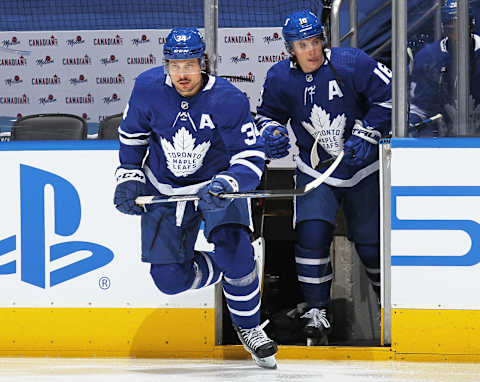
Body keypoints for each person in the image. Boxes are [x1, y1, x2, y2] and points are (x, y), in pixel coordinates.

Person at [113, 27, 277, 368]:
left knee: (234, 247)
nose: (182, 73)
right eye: (175, 65)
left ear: (203, 62)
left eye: (189, 64)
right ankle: (235, 269)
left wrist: (228, 183)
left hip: (216, 185)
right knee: (169, 280)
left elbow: (250, 155)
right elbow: (131, 137)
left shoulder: (227, 98)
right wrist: (128, 177)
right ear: (166, 65)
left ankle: (250, 328)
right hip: (164, 188)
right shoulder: (147, 88)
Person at [256, 10, 392, 345]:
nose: (312, 50)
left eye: (316, 41)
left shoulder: (351, 62)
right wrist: (270, 131)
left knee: (373, 245)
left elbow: (390, 97)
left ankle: (387, 306)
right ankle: (317, 311)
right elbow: (267, 115)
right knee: (312, 236)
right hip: (314, 171)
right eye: (303, 44)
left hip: (363, 169)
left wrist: (369, 133)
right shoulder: (279, 78)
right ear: (291, 48)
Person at [409, 0, 480, 137]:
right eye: (451, 29)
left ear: (471, 26)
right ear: (443, 29)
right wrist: (413, 125)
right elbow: (420, 107)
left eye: (461, 28)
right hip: (441, 134)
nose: (457, 36)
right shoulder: (428, 57)